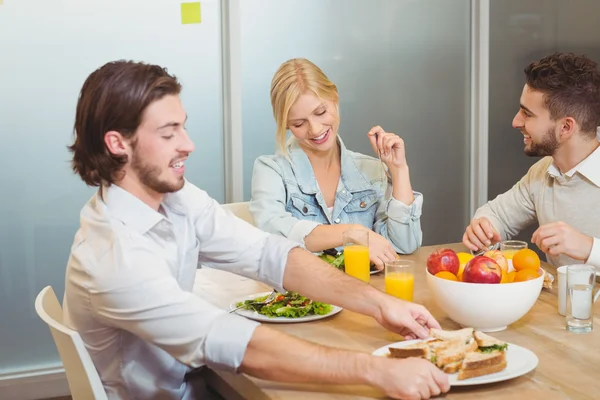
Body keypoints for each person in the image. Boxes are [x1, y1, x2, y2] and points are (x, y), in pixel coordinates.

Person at [63, 60, 449, 400]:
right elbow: (229, 342)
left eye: (183, 128)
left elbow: (270, 254)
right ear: (118, 144)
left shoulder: (178, 202)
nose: (189, 145)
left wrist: (380, 304)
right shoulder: (114, 257)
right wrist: (376, 369)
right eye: (169, 133)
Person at [249, 58, 424, 270]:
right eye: (299, 123)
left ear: (335, 98)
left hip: (364, 296)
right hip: (304, 299)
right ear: (286, 125)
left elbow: (404, 246)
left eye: (320, 112)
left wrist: (399, 171)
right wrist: (353, 233)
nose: (314, 129)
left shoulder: (371, 170)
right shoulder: (272, 170)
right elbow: (270, 234)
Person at [463, 52, 600, 270]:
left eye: (528, 114)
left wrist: (589, 248)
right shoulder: (544, 172)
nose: (516, 122)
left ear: (565, 127)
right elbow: (497, 215)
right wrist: (483, 229)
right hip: (559, 303)